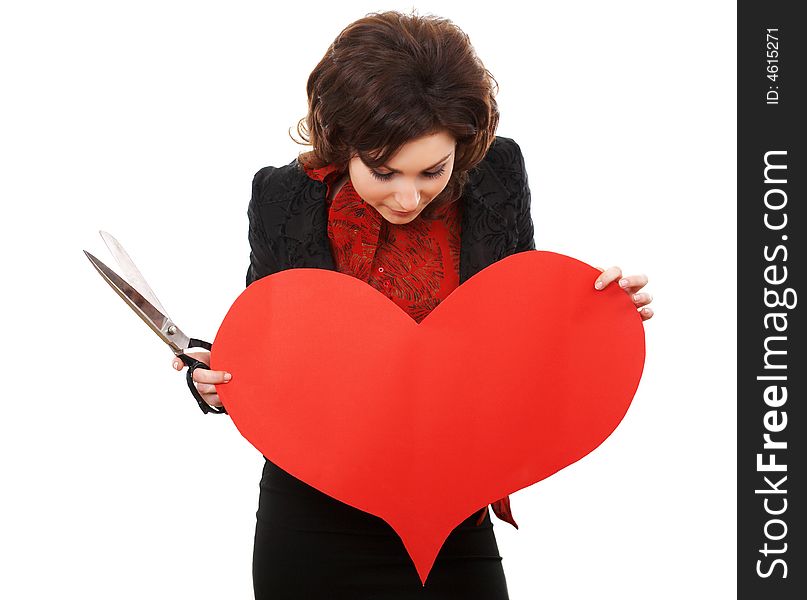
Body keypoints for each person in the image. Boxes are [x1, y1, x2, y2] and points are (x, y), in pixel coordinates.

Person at [172, 9, 654, 599]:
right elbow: (268, 337)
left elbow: (520, 333)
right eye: (383, 171)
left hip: (455, 507)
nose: (408, 196)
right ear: (342, 144)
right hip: (314, 511)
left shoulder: (496, 173)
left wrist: (595, 315)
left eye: (432, 171)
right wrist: (211, 380)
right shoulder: (282, 196)